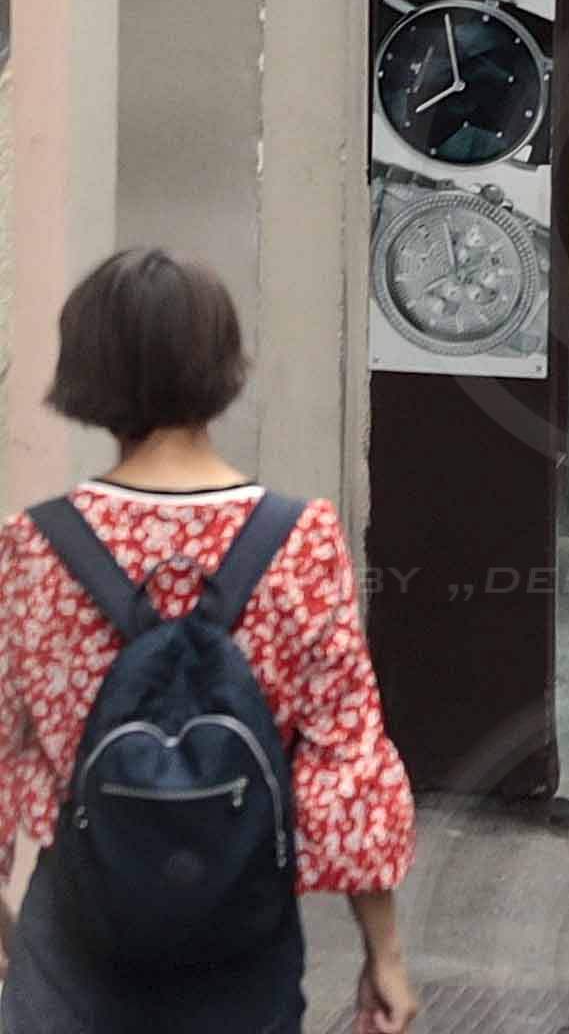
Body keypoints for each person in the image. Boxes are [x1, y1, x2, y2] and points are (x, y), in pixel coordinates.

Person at [0, 251, 416, 1034]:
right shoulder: (299, 540)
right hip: (238, 921)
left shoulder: (36, 546)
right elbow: (347, 759)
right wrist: (383, 954)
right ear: (225, 364)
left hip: (78, 929)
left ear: (85, 365)